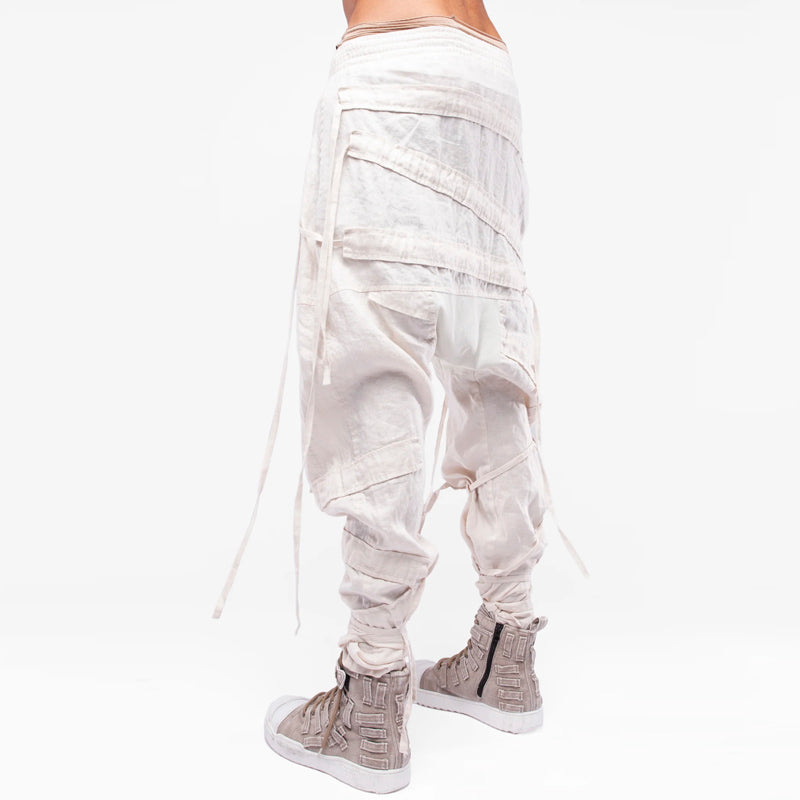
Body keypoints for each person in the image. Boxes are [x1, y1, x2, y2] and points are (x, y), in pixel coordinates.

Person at [213, 1, 587, 792]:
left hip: (396, 81)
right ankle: (505, 653)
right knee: (480, 357)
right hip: (485, 82)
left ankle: (371, 695)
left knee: (374, 355)